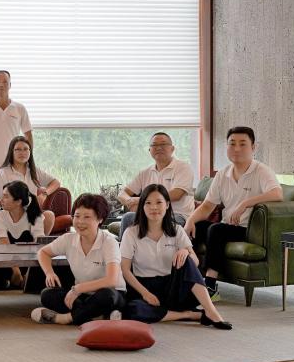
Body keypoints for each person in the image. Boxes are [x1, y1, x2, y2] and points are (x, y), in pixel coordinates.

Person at [184, 126, 282, 298]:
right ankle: (190, 280)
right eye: (232, 143)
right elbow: (207, 205)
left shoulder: (261, 171)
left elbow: (277, 194)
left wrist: (245, 203)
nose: (237, 148)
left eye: (243, 144)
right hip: (228, 227)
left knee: (216, 230)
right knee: (197, 227)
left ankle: (210, 286)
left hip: (248, 230)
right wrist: (190, 221)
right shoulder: (223, 174)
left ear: (253, 147)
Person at [120, 184, 232, 329]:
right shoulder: (131, 233)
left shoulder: (177, 229)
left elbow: (195, 262)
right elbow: (125, 269)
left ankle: (211, 312)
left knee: (187, 259)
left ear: (167, 205)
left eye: (159, 202)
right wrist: (145, 293)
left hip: (172, 287)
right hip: (144, 286)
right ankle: (190, 315)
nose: (154, 207)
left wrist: (186, 252)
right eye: (148, 203)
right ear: (142, 206)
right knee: (132, 310)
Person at [31, 194, 125, 326]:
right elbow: (43, 252)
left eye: (87, 217)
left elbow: (111, 280)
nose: (80, 222)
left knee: (107, 296)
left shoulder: (109, 242)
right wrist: (49, 273)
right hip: (83, 294)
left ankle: (65, 318)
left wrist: (78, 288)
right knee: (47, 294)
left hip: (112, 293)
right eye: (77, 216)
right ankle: (96, 316)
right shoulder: (68, 239)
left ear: (100, 219)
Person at [116, 132, 195, 240]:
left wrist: (140, 201)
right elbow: (122, 193)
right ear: (150, 150)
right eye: (154, 145)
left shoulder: (183, 168)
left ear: (172, 149)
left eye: (163, 144)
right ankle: (124, 251)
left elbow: (177, 194)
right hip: (150, 213)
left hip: (176, 215)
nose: (158, 148)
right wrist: (129, 201)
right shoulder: (145, 172)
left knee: (159, 222)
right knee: (128, 218)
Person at [0, 181, 46, 291]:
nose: (1, 199)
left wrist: (29, 273)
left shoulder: (35, 216)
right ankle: (11, 283)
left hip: (28, 263)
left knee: (49, 274)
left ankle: (18, 282)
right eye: (2, 195)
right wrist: (16, 271)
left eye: (6, 196)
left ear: (18, 201)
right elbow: (3, 244)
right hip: (7, 262)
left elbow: (39, 245)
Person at [0, 135, 59, 236]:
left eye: (25, 149)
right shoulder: (3, 172)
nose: (22, 153)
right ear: (11, 152)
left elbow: (56, 183)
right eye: (18, 149)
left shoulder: (34, 170)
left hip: (30, 212)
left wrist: (44, 194)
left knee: (49, 216)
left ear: (30, 151)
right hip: (10, 213)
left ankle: (37, 245)